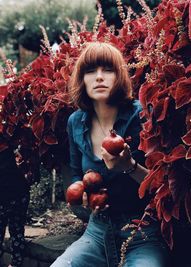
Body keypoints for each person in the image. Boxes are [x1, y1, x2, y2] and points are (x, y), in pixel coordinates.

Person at [51, 42, 170, 267]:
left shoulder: (142, 116)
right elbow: (76, 172)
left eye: (108, 70)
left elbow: (164, 187)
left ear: (119, 77)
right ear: (81, 79)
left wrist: (130, 166)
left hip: (142, 234)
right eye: (90, 71)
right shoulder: (75, 122)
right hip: (97, 231)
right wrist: (82, 193)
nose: (98, 77)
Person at [0, 146, 37, 267]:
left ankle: (15, 263)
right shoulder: (7, 142)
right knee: (17, 233)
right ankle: (16, 263)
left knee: (15, 231)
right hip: (19, 193)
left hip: (13, 194)